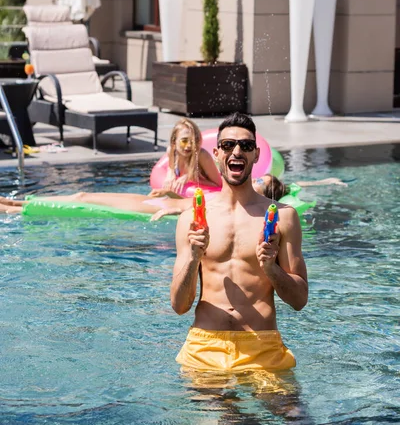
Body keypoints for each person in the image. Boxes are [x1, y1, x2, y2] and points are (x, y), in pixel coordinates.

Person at [171, 112, 308, 373]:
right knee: (223, 415)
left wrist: (271, 268)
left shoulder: (284, 217)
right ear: (216, 153)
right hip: (205, 346)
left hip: (263, 347)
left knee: (295, 415)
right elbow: (179, 306)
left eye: (245, 146)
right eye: (227, 145)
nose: (236, 151)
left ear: (256, 154)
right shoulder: (191, 220)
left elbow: (300, 300)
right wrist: (193, 257)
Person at [0, 174, 288, 218]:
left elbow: (197, 210)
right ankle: (16, 202)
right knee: (83, 193)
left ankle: (11, 209)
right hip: (156, 200)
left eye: (262, 182)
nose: (256, 179)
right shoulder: (228, 192)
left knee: (83, 201)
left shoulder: (242, 204)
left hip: (154, 208)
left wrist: (170, 210)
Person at [161, 118, 221, 194]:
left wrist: (192, 178)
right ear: (174, 141)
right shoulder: (172, 152)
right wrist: (170, 174)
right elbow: (170, 167)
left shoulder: (202, 156)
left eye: (193, 141)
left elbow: (219, 185)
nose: (189, 145)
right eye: (184, 141)